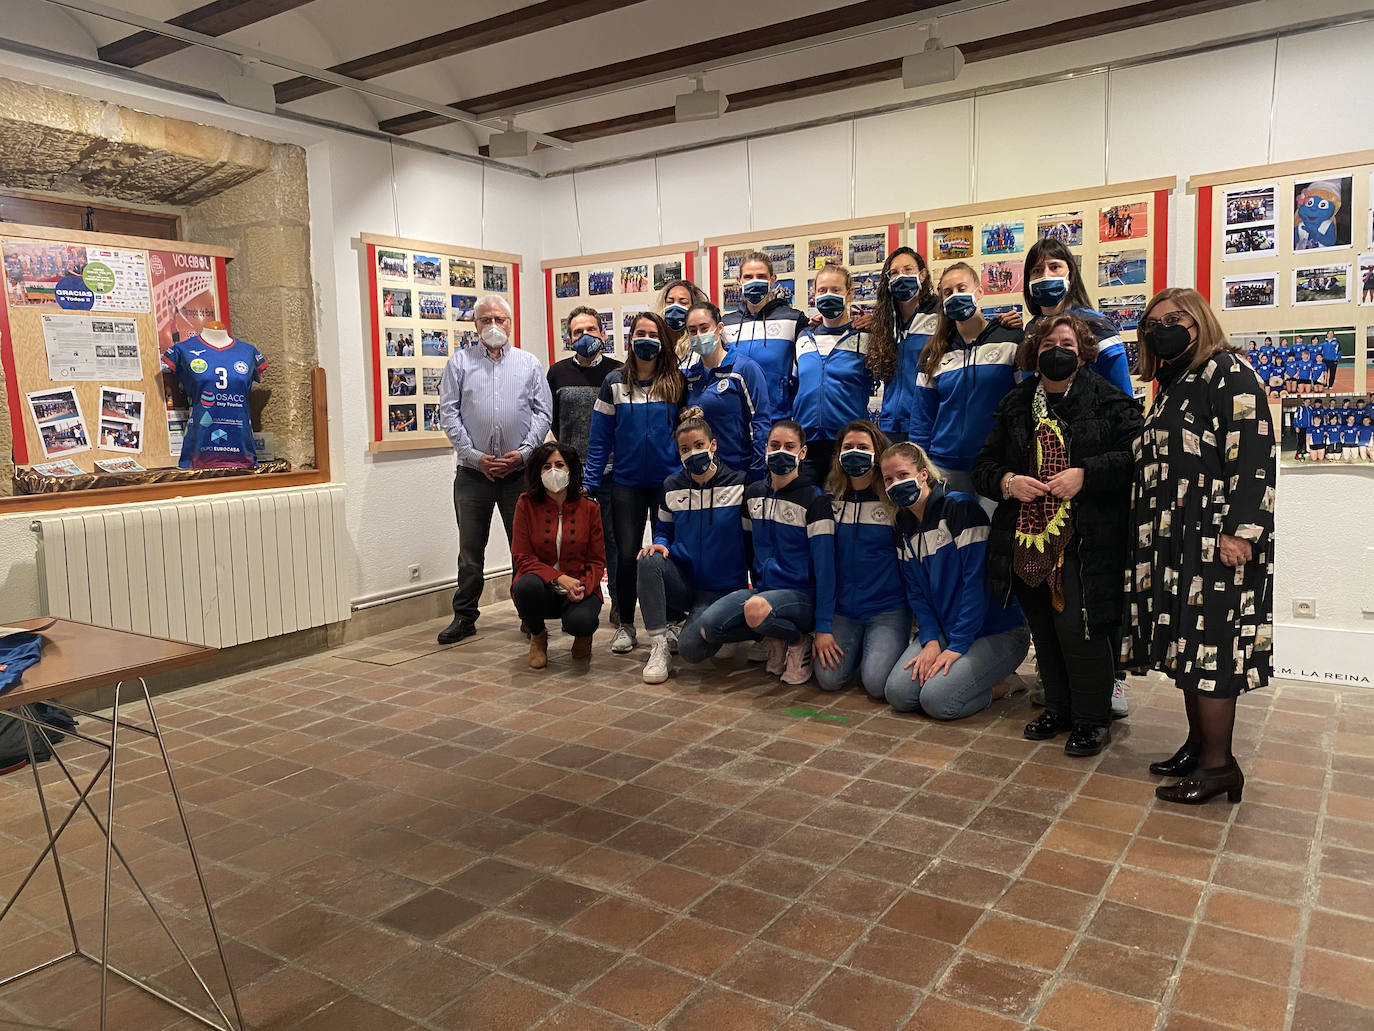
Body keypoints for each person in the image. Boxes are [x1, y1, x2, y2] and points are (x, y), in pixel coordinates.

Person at [1125, 287, 1275, 806]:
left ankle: (1219, 767)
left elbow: (1253, 453)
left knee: (1214, 651)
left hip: (1215, 539)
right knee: (1192, 647)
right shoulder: (1174, 383)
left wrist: (1242, 531)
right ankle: (1199, 745)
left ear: (1199, 320)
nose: (1160, 328)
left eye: (1173, 318)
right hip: (1175, 542)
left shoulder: (1228, 372)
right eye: (1152, 323)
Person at [973, 314, 1143, 756]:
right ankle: (1060, 708)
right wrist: (1010, 482)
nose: (1057, 350)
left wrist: (1085, 474)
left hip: (1086, 539)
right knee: (1044, 629)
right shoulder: (1015, 404)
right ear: (1034, 352)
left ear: (1084, 353)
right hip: (1028, 538)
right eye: (1047, 344)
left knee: (1079, 628)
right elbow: (983, 468)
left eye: (1066, 342)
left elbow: (1134, 460)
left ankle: (1091, 719)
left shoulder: (1110, 401)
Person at [880, 442, 1030, 718]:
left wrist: (957, 646)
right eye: (888, 479)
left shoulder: (961, 508)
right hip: (946, 630)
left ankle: (1005, 683)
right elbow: (916, 594)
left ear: (923, 474)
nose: (895, 484)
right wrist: (930, 641)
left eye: (902, 475)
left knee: (938, 701)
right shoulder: (903, 526)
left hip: (996, 631)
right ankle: (961, 671)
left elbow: (977, 586)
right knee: (899, 695)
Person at [438, 294, 552, 644]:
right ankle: (465, 616)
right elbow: (448, 413)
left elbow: (542, 413)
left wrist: (522, 453)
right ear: (475, 325)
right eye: (485, 320)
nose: (493, 326)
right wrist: (475, 456)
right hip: (473, 475)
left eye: (499, 319)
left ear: (510, 323)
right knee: (471, 551)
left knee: (524, 549)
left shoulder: (529, 364)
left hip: (519, 473)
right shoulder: (459, 364)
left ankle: (528, 612)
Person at [695, 420, 836, 684]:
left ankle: (797, 641)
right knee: (709, 626)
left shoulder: (815, 501)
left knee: (756, 609)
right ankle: (775, 637)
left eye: (789, 446)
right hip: (763, 593)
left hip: (802, 597)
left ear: (802, 453)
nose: (781, 451)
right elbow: (749, 551)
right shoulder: (753, 495)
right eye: (775, 445)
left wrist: (824, 625)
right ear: (765, 449)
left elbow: (826, 569)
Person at [585, 311, 685, 654]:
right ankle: (626, 624)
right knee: (625, 557)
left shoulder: (676, 382)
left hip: (667, 485)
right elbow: (599, 439)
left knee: (666, 553)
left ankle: (671, 621)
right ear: (629, 340)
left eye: (653, 334)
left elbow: (688, 433)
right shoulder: (614, 382)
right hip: (625, 483)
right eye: (640, 333)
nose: (646, 339)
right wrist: (590, 484)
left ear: (663, 341)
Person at [636, 408, 751, 683]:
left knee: (690, 648)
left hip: (726, 590)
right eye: (685, 448)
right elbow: (663, 530)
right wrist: (660, 544)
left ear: (713, 445)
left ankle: (745, 628)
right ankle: (659, 646)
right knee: (648, 558)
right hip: (688, 586)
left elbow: (752, 544)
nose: (693, 453)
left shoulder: (740, 486)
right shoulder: (671, 486)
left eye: (699, 445)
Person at [813, 420, 911, 699]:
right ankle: (859, 650)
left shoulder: (894, 500)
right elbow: (824, 567)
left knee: (877, 685)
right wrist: (822, 626)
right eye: (848, 447)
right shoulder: (830, 500)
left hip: (887, 609)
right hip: (843, 611)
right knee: (828, 679)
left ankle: (881, 648)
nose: (855, 452)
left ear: (878, 453)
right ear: (839, 455)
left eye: (863, 447)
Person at [909, 262, 1023, 498]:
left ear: (979, 292)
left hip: (996, 465)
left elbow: (1024, 402)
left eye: (962, 288)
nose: (955, 296)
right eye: (948, 293)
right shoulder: (933, 353)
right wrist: (920, 463)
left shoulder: (1010, 339)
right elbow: (922, 416)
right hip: (945, 466)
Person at [547, 306, 623, 623]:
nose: (585, 336)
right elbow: (551, 420)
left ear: (603, 334)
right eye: (578, 332)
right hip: (571, 478)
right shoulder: (557, 373)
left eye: (591, 330)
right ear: (568, 338)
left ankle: (620, 606)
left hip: (612, 473)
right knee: (573, 545)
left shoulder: (619, 371)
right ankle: (577, 604)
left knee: (615, 545)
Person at [510, 442, 605, 668]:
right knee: (525, 587)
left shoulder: (590, 508)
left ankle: (583, 636)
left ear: (570, 469)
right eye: (546, 466)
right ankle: (538, 636)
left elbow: (597, 560)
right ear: (538, 472)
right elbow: (522, 557)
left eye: (559, 465)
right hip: (543, 586)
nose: (553, 471)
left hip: (579, 585)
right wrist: (559, 578)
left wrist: (583, 586)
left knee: (581, 622)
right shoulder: (525, 504)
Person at [793, 263, 876, 480]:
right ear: (814, 295)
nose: (828, 295)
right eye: (822, 291)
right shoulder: (803, 337)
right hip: (807, 443)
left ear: (849, 293)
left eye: (835, 290)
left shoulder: (866, 338)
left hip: (848, 443)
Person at [1023, 237, 1134, 397]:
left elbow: (1122, 394)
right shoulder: (1030, 330)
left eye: (1055, 267)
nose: (1046, 275)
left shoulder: (1097, 325)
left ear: (1070, 274)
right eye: (1037, 270)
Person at [681, 301, 770, 480]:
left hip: (738, 472)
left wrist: (757, 471)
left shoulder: (744, 369)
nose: (698, 335)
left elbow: (760, 423)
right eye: (692, 330)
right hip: (699, 474)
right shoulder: (690, 376)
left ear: (719, 327)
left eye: (704, 328)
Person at [721, 252, 809, 416]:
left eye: (761, 276)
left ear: (772, 279)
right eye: (748, 276)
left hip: (778, 419)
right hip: (736, 420)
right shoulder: (725, 324)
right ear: (739, 281)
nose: (754, 281)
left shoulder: (794, 319)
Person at [867, 247, 939, 443]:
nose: (901, 276)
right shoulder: (884, 322)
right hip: (890, 425)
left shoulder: (942, 316)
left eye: (908, 270)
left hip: (929, 422)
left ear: (922, 274)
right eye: (894, 272)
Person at [656, 278, 712, 359]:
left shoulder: (700, 344)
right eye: (670, 302)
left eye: (683, 303)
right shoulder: (657, 340)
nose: (675, 307)